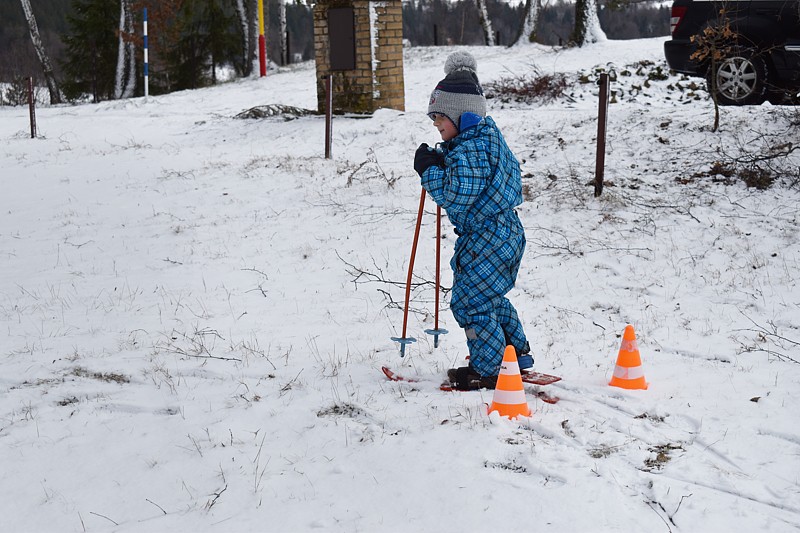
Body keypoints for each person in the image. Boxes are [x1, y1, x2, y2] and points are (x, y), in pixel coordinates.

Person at [413, 51, 532, 391]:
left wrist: (430, 171)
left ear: (463, 117)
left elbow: (456, 193)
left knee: (471, 302)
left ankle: (490, 369)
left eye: (441, 121)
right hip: (501, 233)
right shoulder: (482, 139)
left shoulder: (471, 149)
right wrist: (441, 156)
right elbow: (468, 172)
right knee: (490, 298)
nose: (437, 126)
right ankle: (515, 354)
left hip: (487, 237)